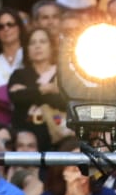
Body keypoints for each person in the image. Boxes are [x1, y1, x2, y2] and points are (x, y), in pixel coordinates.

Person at [6, 25, 69, 153]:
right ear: (27, 49)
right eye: (32, 43)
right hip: (25, 143)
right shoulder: (19, 75)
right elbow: (16, 97)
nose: (37, 46)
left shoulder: (63, 75)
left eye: (42, 42)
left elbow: (64, 101)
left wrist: (29, 92)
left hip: (59, 142)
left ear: (51, 47)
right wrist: (46, 89)